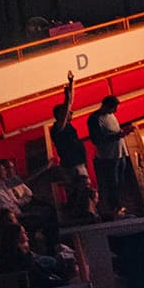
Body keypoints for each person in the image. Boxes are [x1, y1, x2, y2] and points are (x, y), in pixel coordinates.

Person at [49, 70, 94, 220]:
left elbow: (70, 102)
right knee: (81, 191)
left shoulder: (63, 125)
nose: (72, 112)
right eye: (69, 112)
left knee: (81, 191)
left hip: (76, 163)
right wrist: (67, 96)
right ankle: (82, 215)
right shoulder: (58, 127)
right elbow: (68, 104)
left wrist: (71, 84)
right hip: (72, 165)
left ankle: (82, 213)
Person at [89, 93, 135, 220]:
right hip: (108, 157)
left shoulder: (110, 115)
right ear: (105, 106)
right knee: (112, 184)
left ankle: (120, 205)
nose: (115, 111)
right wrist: (119, 135)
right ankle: (115, 209)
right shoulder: (95, 118)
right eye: (113, 108)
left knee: (120, 182)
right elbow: (97, 140)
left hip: (119, 153)